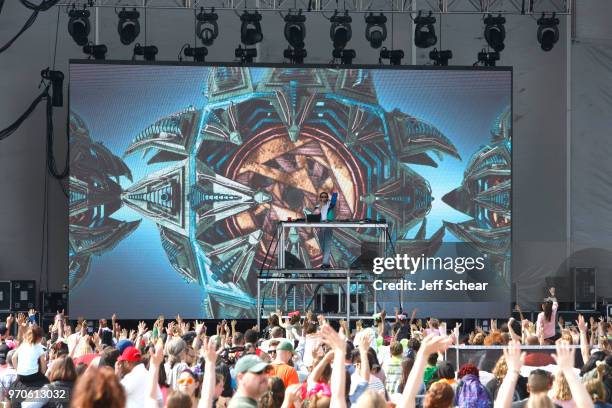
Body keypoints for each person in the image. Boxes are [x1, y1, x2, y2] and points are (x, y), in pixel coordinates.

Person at [313, 191, 337, 269]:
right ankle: (325, 262)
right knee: (322, 244)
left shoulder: (330, 204)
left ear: (327, 198)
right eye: (322, 197)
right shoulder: (318, 206)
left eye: (325, 197)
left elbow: (334, 201)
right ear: (320, 198)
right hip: (321, 226)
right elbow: (315, 214)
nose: (323, 198)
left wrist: (334, 193)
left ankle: (325, 263)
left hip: (328, 225)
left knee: (327, 243)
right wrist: (319, 207)